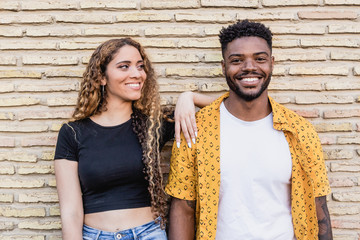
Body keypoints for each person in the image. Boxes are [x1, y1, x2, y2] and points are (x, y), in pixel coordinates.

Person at [166, 20, 333, 240]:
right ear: (224, 66)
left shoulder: (299, 131)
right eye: (237, 60)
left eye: (259, 59)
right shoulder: (196, 128)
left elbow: (318, 205)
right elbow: (182, 208)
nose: (249, 67)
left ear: (271, 63)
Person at [54, 38, 213, 240]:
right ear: (102, 77)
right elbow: (70, 211)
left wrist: (189, 97)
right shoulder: (72, 133)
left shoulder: (155, 125)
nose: (137, 74)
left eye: (140, 67)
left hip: (149, 234)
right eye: (124, 67)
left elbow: (230, 110)